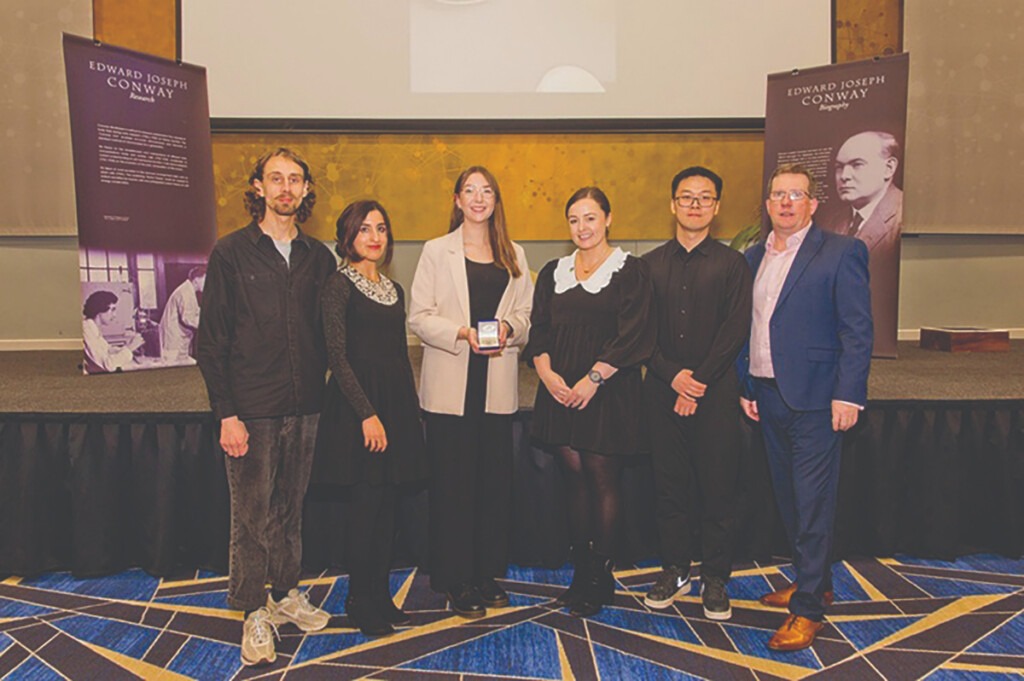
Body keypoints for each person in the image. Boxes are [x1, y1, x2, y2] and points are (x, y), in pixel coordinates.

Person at [196, 148, 336, 667]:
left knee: (289, 510)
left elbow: (331, 333)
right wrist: (225, 414)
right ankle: (253, 609)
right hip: (250, 408)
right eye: (274, 178)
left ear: (304, 190)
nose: (284, 188)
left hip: (305, 405)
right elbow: (210, 342)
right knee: (250, 517)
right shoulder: (230, 253)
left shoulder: (319, 257)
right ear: (257, 187)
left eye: (294, 179)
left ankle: (287, 594)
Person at [737, 163, 872, 651]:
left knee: (813, 504)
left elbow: (857, 330)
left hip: (818, 400)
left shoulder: (842, 252)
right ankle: (812, 579)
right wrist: (745, 384)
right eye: (777, 195)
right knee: (790, 500)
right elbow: (748, 327)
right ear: (768, 204)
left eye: (796, 194)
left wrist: (849, 393)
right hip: (768, 395)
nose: (786, 202)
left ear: (814, 204)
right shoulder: (752, 257)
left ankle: (808, 609)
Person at [408, 166, 533, 619]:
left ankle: (484, 573)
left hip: (496, 387)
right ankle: (456, 579)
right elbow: (418, 316)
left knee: (491, 487)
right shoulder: (435, 251)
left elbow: (525, 317)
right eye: (470, 191)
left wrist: (509, 328)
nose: (479, 198)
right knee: (453, 487)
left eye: (487, 191)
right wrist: (461, 331)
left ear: (496, 200)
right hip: (450, 386)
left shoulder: (514, 253)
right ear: (457, 199)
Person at [525, 186, 655, 618]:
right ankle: (581, 574)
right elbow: (538, 327)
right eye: (575, 220)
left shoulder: (630, 271)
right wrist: (546, 375)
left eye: (591, 218)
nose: (582, 228)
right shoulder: (552, 271)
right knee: (574, 479)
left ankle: (602, 577)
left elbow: (634, 334)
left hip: (607, 391)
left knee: (602, 480)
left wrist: (593, 378)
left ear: (608, 218)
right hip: (560, 390)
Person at [312, 200, 428, 637]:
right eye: (364, 230)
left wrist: (406, 409)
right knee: (365, 512)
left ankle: (380, 596)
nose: (375, 237)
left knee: (387, 513)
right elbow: (338, 359)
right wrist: (368, 414)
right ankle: (360, 601)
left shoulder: (393, 290)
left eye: (381, 228)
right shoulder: (338, 285)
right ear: (348, 236)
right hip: (357, 411)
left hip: (394, 406)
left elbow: (398, 356)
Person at [641, 167, 752, 620]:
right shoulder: (646, 266)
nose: (694, 205)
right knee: (669, 489)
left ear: (717, 208)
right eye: (686, 197)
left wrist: (698, 381)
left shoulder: (733, 265)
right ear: (672, 205)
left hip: (716, 394)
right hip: (662, 395)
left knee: (717, 488)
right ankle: (674, 569)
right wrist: (674, 378)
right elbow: (640, 335)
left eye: (705, 198)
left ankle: (715, 577)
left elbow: (735, 330)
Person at [825, 131, 903, 354]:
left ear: (889, 168)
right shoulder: (832, 221)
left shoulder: (897, 221)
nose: (844, 176)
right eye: (839, 167)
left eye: (856, 165)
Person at [82, 290, 144, 374]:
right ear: (100, 310)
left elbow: (107, 350)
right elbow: (108, 365)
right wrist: (130, 348)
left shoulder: (92, 328)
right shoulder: (86, 330)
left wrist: (127, 348)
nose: (114, 315)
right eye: (112, 310)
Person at [158, 265, 205, 365]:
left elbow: (194, 311)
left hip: (178, 340)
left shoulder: (188, 290)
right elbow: (188, 318)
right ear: (196, 280)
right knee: (173, 371)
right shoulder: (186, 292)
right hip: (173, 342)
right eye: (206, 279)